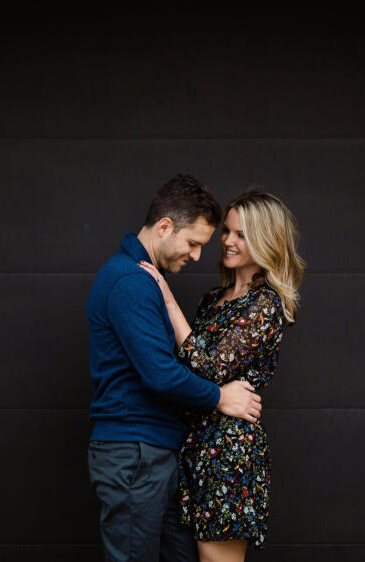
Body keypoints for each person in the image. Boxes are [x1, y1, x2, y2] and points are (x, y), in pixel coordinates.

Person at [87, 175, 263, 562]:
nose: (197, 256)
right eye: (193, 243)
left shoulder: (143, 279)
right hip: (134, 454)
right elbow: (161, 374)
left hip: (155, 454)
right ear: (165, 226)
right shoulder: (130, 281)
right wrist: (219, 397)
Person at [139, 191, 305, 562]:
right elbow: (184, 369)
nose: (227, 241)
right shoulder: (213, 298)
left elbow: (210, 367)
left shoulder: (265, 304)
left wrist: (167, 299)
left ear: (264, 240)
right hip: (192, 447)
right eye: (227, 231)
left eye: (241, 234)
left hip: (229, 453)